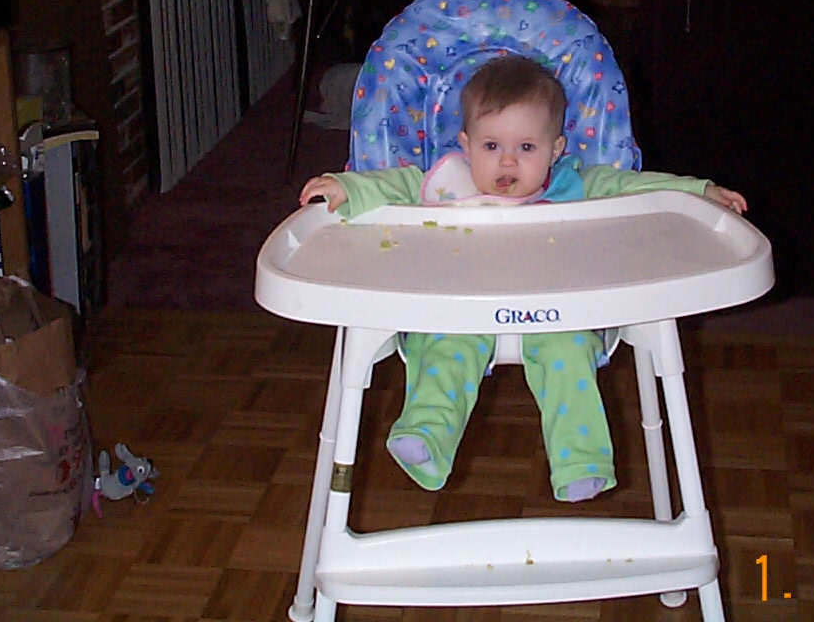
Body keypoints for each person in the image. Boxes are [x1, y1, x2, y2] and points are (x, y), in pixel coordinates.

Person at [299, 55, 746, 502]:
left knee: (569, 355)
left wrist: (698, 192)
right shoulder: (445, 184)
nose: (507, 161)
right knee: (445, 352)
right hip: (462, 309)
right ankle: (427, 434)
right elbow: (387, 186)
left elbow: (640, 189)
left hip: (557, 313)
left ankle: (581, 460)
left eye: (527, 148)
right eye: (491, 146)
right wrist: (345, 188)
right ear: (466, 144)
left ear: (556, 149)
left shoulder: (578, 187)